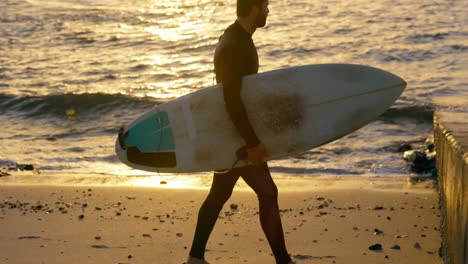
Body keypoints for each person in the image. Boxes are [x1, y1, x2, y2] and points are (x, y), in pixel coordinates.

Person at [186, 0, 293, 263]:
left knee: (220, 194)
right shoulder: (235, 45)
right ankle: (284, 261)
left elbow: (239, 96)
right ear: (254, 7)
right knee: (268, 193)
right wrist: (252, 142)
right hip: (237, 136)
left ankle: (195, 259)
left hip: (230, 132)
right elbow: (232, 99)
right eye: (265, 5)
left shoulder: (236, 37)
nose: (268, 10)